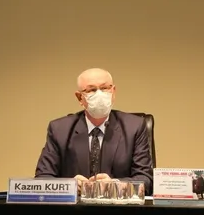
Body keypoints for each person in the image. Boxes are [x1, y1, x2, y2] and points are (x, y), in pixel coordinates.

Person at [35, 67, 154, 195]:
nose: (99, 94)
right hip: (75, 206)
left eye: (104, 88)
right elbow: (42, 179)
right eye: (91, 90)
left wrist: (116, 186)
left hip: (118, 206)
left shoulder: (134, 127)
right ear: (80, 98)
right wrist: (69, 186)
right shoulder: (60, 130)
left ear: (113, 92)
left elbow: (145, 180)